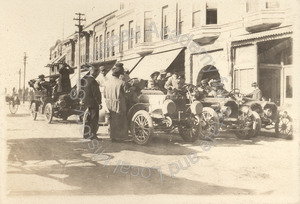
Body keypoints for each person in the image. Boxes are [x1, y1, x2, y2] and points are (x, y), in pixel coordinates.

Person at [104, 63, 131, 142]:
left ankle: (113, 136)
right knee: (121, 119)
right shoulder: (122, 83)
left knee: (112, 119)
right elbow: (127, 93)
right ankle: (120, 137)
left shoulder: (107, 82)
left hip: (109, 103)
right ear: (120, 74)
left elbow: (105, 94)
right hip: (119, 103)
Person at [82, 67, 102, 140]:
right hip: (93, 103)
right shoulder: (93, 81)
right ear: (94, 72)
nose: (98, 74)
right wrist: (99, 103)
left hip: (87, 103)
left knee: (88, 119)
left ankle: (86, 134)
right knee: (94, 119)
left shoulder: (86, 80)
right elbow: (95, 93)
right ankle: (93, 136)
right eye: (97, 72)